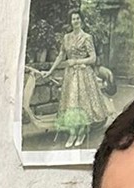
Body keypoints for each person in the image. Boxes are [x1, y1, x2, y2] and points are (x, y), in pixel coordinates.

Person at [39, 11, 112, 149]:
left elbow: (93, 58)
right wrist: (50, 71)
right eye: (73, 19)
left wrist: (76, 61)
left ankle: (82, 133)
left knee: (82, 105)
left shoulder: (87, 37)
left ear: (81, 21)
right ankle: (72, 134)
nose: (76, 21)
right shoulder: (66, 38)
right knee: (71, 105)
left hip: (84, 75)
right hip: (70, 76)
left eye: (78, 18)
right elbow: (61, 55)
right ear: (71, 21)